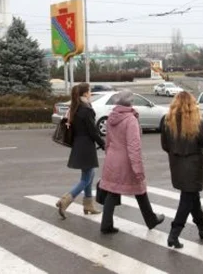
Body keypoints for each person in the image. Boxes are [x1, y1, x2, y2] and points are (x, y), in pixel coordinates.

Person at [99, 90, 165, 234]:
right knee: (140, 189)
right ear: (130, 102)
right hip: (126, 161)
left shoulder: (111, 117)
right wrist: (138, 168)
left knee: (112, 190)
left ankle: (106, 223)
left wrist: (109, 156)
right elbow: (133, 146)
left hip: (112, 158)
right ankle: (151, 220)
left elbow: (108, 141)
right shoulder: (131, 120)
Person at [161, 91, 203, 249]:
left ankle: (202, 228)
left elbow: (165, 145)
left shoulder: (167, 121)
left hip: (177, 166)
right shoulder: (197, 122)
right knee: (187, 199)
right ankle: (174, 234)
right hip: (193, 167)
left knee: (192, 197)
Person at [56, 83, 105, 219]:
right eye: (89, 91)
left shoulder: (75, 108)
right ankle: (65, 201)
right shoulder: (86, 110)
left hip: (79, 144)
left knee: (90, 173)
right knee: (86, 178)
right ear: (84, 94)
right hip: (86, 147)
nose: (90, 93)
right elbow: (93, 131)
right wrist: (103, 144)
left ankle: (88, 205)